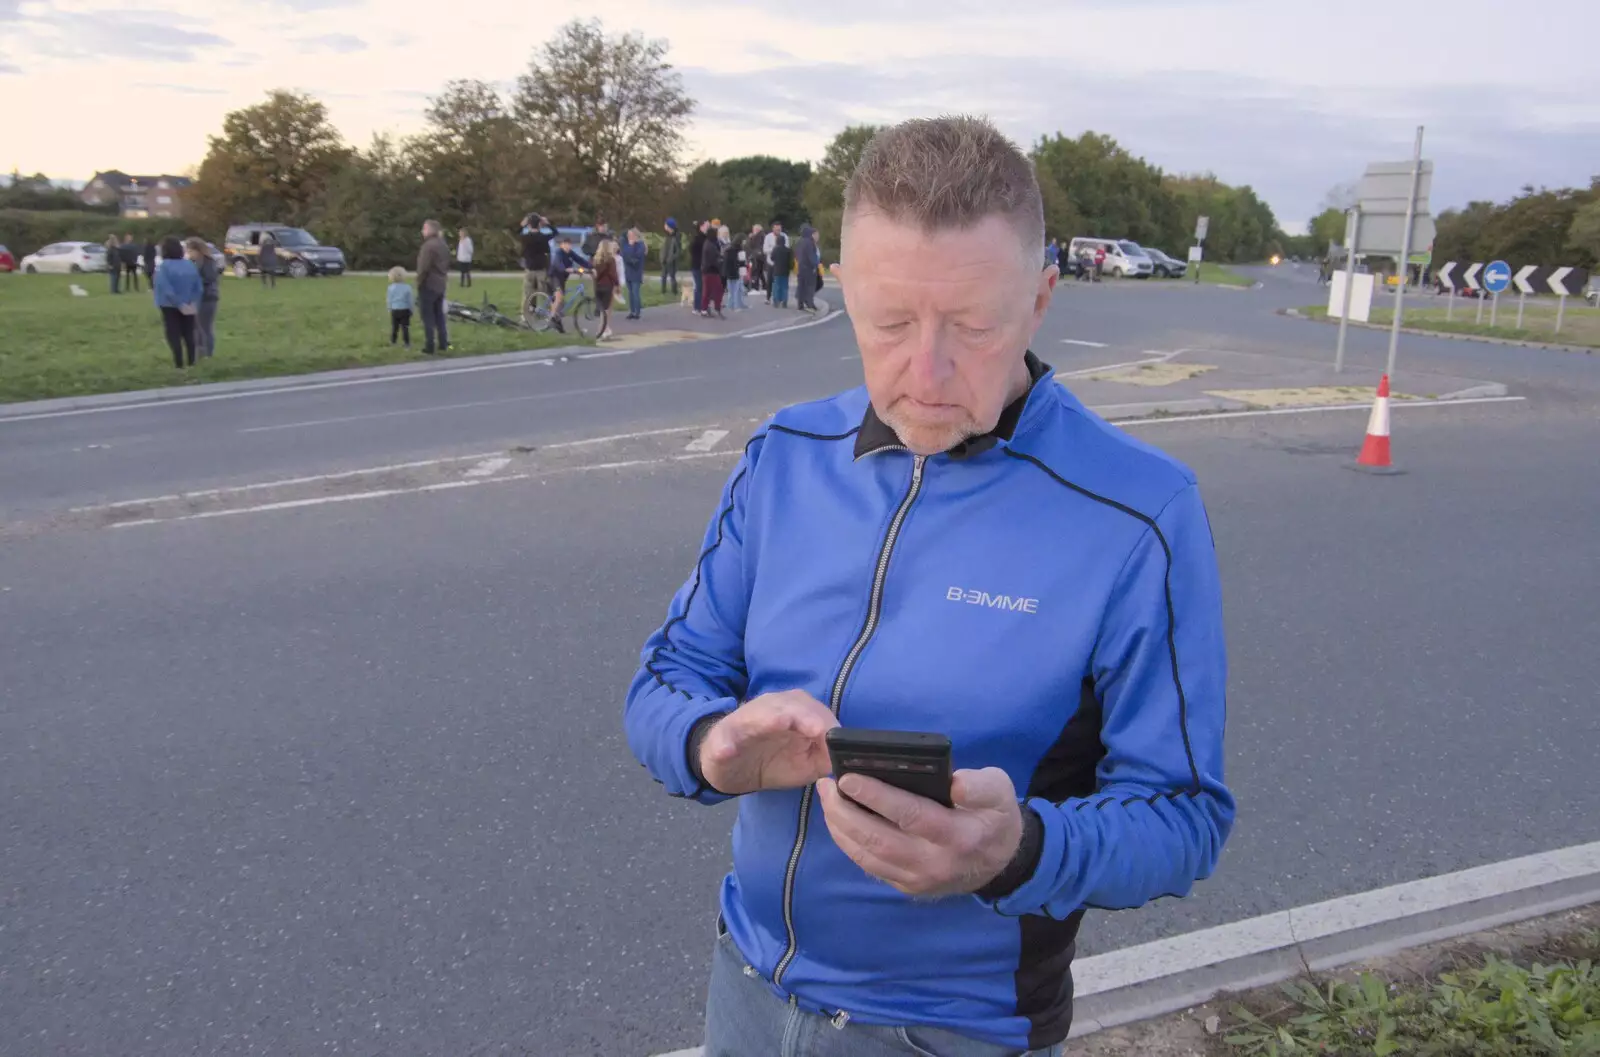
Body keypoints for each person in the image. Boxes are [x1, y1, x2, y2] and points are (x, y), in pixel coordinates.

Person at [624, 115, 1233, 1057]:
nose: (927, 373)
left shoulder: (1140, 512)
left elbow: (1183, 815)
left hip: (952, 1031)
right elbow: (666, 679)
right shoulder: (784, 455)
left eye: (975, 326)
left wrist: (1016, 852)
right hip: (744, 987)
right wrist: (710, 746)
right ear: (843, 294)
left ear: (1040, 300)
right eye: (891, 323)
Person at [152, 236, 201, 369]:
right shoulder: (190, 265)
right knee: (189, 333)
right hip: (189, 303)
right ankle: (192, 361)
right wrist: (191, 302)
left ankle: (179, 363)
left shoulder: (164, 267)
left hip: (169, 305)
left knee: (173, 334)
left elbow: (166, 288)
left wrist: (179, 304)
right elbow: (198, 287)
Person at [415, 219, 451, 354]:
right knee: (439, 315)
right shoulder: (443, 245)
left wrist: (419, 282)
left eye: (424, 228)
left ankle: (429, 345)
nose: (422, 231)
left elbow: (424, 267)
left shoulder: (428, 246)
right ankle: (443, 342)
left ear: (431, 230)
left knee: (427, 316)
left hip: (429, 284)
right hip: (441, 283)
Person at [183, 237, 220, 359]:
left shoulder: (208, 262)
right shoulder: (192, 263)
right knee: (196, 328)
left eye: (190, 251)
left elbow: (210, 278)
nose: (188, 254)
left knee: (205, 327)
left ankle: (208, 354)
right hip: (196, 299)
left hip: (207, 298)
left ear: (198, 250)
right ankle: (199, 353)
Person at [547, 233, 590, 334]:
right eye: (566, 244)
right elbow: (558, 265)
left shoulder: (570, 253)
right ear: (561, 245)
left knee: (561, 302)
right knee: (559, 297)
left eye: (569, 244)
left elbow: (580, 260)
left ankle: (558, 323)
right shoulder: (559, 253)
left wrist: (590, 268)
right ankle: (552, 318)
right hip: (555, 277)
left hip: (563, 278)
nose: (568, 246)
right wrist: (568, 269)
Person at [518, 214, 556, 321]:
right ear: (539, 225)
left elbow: (517, 233)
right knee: (543, 292)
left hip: (529, 268)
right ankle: (548, 312)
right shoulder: (543, 237)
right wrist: (548, 224)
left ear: (529, 225)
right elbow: (555, 233)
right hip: (541, 268)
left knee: (528, 292)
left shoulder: (525, 238)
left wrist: (522, 225)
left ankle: (526, 313)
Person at [591, 238, 620, 341]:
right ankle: (602, 330)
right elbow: (613, 274)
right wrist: (617, 285)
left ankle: (604, 330)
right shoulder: (611, 260)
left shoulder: (595, 260)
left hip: (598, 287)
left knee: (602, 309)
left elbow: (594, 274)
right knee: (607, 310)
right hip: (607, 286)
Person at [700, 223, 726, 318]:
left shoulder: (708, 243)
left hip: (707, 271)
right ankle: (716, 308)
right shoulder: (710, 246)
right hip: (711, 271)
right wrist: (721, 260)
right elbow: (713, 260)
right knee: (717, 290)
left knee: (708, 291)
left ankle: (705, 308)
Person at [621, 228, 647, 320]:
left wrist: (631, 247)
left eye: (631, 235)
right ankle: (631, 311)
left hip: (636, 272)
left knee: (635, 292)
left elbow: (637, 259)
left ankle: (637, 312)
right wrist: (629, 257)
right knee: (630, 293)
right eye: (628, 235)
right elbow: (624, 255)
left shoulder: (640, 245)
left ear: (636, 236)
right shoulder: (626, 245)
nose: (629, 237)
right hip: (628, 271)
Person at [386, 266, 414, 348]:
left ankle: (393, 341)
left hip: (395, 310)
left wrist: (389, 308)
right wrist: (411, 309)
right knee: (405, 327)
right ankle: (407, 343)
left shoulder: (390, 288)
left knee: (395, 327)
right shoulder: (407, 287)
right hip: (405, 309)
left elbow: (389, 300)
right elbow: (410, 300)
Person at [794, 223, 820, 311]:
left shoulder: (799, 242)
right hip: (809, 268)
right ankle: (810, 303)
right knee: (810, 286)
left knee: (801, 285)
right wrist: (816, 265)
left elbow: (796, 254)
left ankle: (800, 304)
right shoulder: (810, 242)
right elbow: (811, 256)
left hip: (800, 266)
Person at [722, 226, 746, 311]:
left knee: (731, 291)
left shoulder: (728, 248)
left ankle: (730, 305)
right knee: (736, 290)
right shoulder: (738, 250)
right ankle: (736, 306)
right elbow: (740, 262)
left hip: (728, 272)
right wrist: (742, 273)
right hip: (735, 272)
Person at [689, 220, 711, 314]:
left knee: (703, 286)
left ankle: (703, 306)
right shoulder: (697, 238)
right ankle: (697, 307)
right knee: (699, 286)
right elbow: (692, 250)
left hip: (704, 265)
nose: (708, 227)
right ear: (701, 227)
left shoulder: (706, 238)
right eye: (707, 226)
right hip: (697, 265)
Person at [767, 231, 792, 308]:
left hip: (777, 270)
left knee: (776, 286)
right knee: (784, 287)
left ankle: (776, 301)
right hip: (785, 271)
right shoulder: (788, 250)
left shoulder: (775, 249)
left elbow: (772, 258)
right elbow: (790, 261)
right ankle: (784, 301)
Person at [762, 222, 783, 304]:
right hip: (770, 263)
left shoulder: (784, 236)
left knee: (779, 281)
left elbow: (786, 247)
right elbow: (765, 250)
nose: (778, 231)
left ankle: (778, 298)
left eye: (780, 229)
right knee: (770, 281)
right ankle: (768, 298)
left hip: (780, 263)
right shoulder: (768, 237)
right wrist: (774, 249)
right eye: (777, 229)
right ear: (773, 229)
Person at [661, 218, 682, 296]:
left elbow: (678, 250)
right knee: (663, 276)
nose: (664, 226)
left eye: (666, 225)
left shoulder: (676, 236)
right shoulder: (666, 235)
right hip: (664, 259)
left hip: (671, 261)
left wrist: (672, 258)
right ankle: (663, 291)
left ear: (670, 226)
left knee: (672, 276)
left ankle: (674, 291)